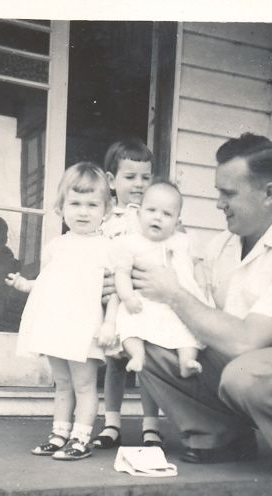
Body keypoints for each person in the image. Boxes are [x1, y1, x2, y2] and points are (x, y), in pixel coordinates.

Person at [122, 132, 272, 477]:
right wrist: (125, 287)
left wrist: (174, 293)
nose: (218, 204)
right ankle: (222, 436)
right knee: (146, 341)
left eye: (228, 193)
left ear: (269, 194)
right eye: (218, 192)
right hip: (237, 357)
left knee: (245, 373)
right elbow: (193, 307)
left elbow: (247, 340)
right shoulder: (221, 246)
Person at [6, 162, 119, 461]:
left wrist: (110, 323)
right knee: (63, 383)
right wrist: (25, 284)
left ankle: (81, 439)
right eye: (75, 203)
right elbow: (48, 284)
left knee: (84, 384)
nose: (83, 212)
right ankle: (59, 434)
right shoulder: (56, 246)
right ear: (61, 207)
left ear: (106, 210)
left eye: (92, 205)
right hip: (58, 326)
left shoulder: (107, 248)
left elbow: (115, 292)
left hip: (85, 327)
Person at [92, 137, 163, 451]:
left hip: (141, 300)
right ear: (111, 180)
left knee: (144, 361)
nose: (138, 184)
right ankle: (112, 424)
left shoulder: (153, 215)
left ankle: (151, 426)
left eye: (145, 177)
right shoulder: (104, 219)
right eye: (130, 176)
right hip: (113, 300)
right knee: (115, 362)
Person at [114, 179, 210, 378]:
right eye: (151, 210)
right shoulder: (130, 243)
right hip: (142, 303)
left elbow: (197, 265)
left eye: (167, 214)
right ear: (139, 214)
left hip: (176, 306)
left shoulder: (184, 241)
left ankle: (186, 361)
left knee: (187, 332)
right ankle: (137, 355)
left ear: (177, 221)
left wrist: (202, 290)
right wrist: (127, 297)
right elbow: (122, 273)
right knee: (128, 324)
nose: (158, 217)